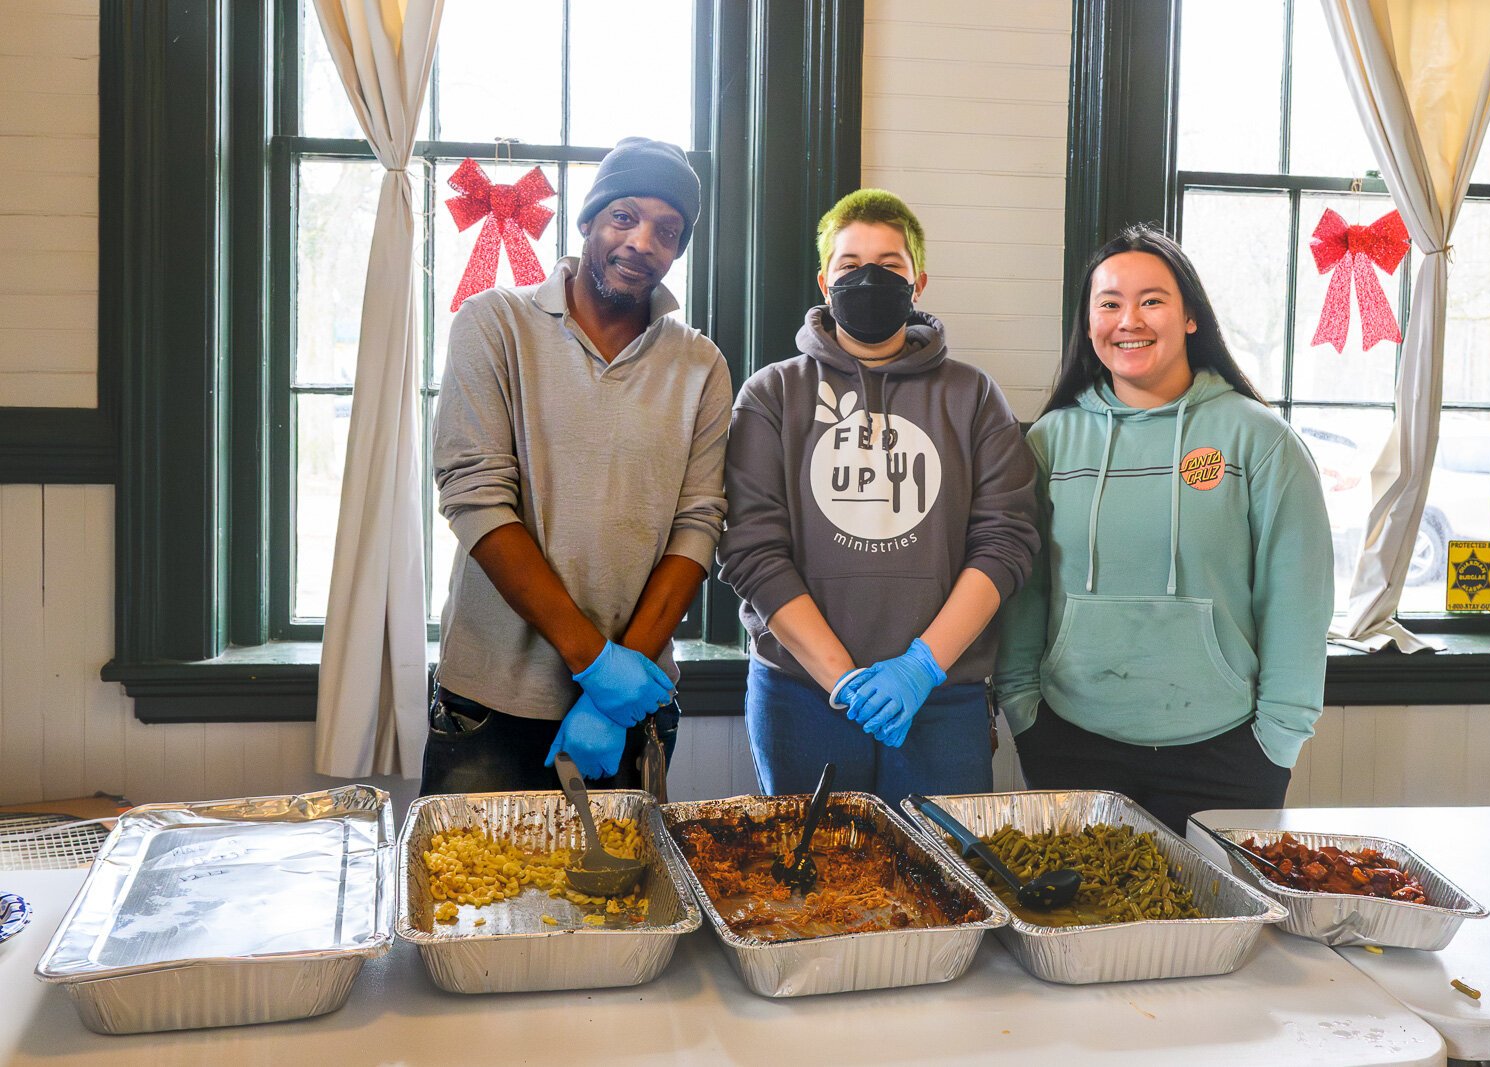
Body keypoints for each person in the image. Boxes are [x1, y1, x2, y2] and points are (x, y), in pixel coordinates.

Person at [993, 224, 1334, 833]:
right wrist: (1022, 707)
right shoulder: (1048, 443)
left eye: (1152, 300)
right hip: (1070, 743)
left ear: (1191, 318)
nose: (1131, 320)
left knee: (1219, 932)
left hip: (1228, 755)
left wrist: (1279, 738)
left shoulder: (1258, 439)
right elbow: (1025, 589)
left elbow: (1297, 600)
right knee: (1083, 927)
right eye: (1110, 303)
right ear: (1089, 322)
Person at [423, 137, 732, 793]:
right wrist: (594, 661)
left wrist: (611, 689)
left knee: (619, 898)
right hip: (490, 706)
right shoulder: (494, 324)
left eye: (667, 230)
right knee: (466, 897)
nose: (642, 241)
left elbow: (697, 525)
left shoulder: (700, 365)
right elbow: (476, 497)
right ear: (588, 221)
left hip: (629, 710)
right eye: (624, 216)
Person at [718, 189, 1039, 800]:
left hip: (943, 694)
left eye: (889, 265)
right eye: (850, 264)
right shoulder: (770, 395)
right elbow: (751, 551)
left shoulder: (973, 397)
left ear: (918, 282)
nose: (869, 277)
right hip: (800, 694)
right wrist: (842, 679)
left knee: (944, 884)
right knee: (813, 887)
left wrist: (922, 667)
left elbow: (1006, 542)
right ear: (823, 280)